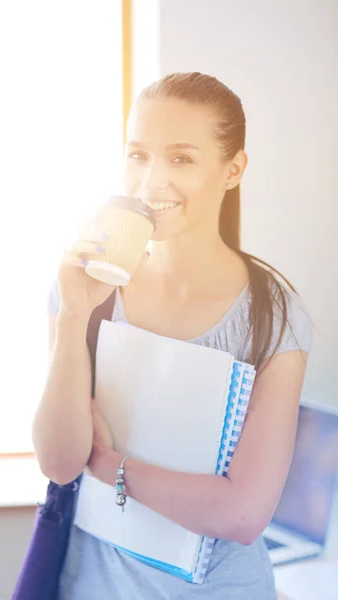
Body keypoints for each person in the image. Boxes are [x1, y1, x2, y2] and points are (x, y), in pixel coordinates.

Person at [33, 72, 313, 599]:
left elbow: (242, 514)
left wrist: (108, 464)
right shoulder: (86, 287)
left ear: (234, 169)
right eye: (138, 155)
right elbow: (57, 461)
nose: (152, 181)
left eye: (181, 158)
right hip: (91, 586)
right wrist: (72, 316)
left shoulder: (274, 315)